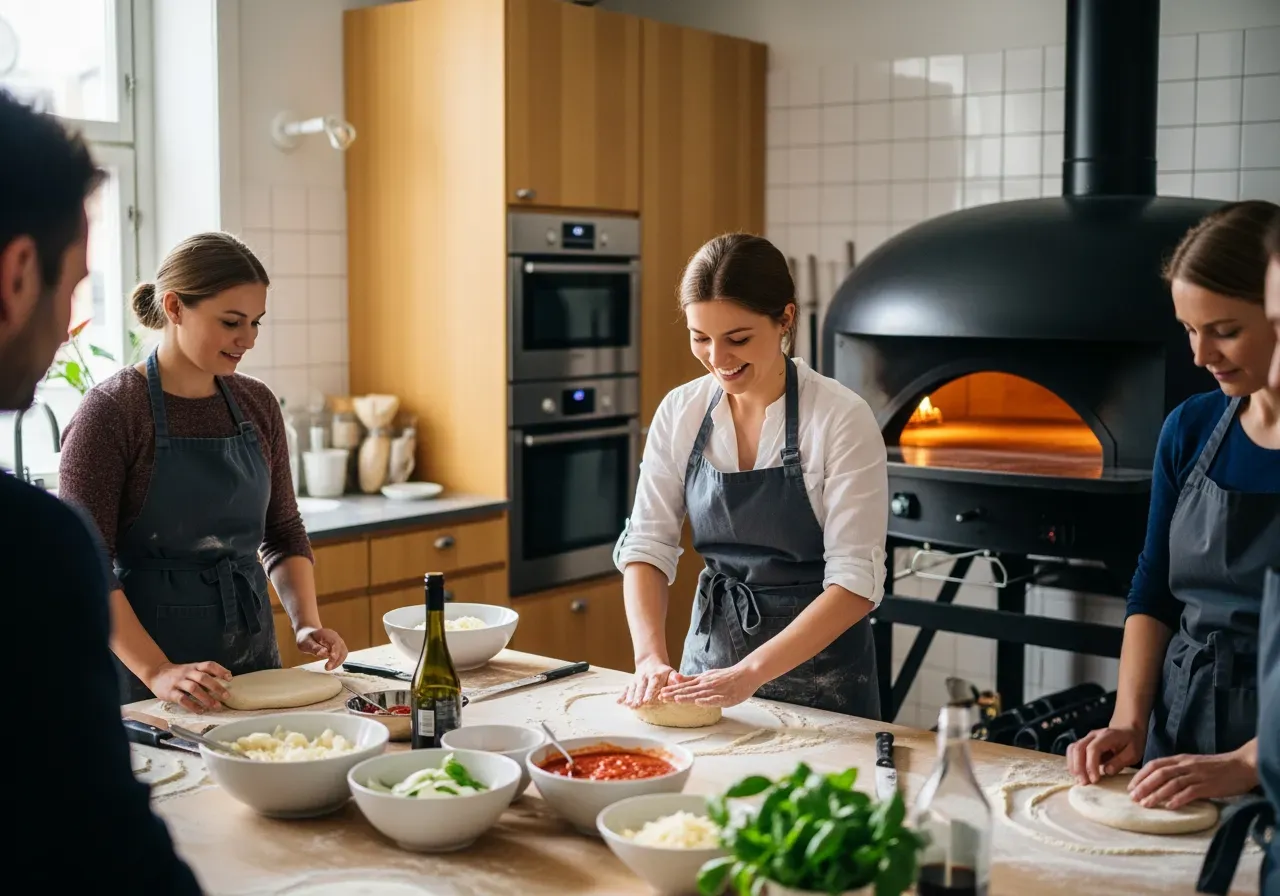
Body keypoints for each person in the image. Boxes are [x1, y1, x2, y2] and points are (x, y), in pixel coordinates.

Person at [1, 90, 202, 889]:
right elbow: (101, 852)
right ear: (18, 274)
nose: (68, 327)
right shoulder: (26, 546)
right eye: (73, 286)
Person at [59, 232, 349, 711]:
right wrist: (158, 671)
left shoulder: (257, 404)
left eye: (256, 323)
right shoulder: (113, 411)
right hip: (141, 677)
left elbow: (282, 530)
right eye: (232, 321)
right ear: (174, 307)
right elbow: (84, 565)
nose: (249, 339)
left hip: (253, 665)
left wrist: (305, 622)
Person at [615, 233, 887, 717]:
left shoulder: (840, 418)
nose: (717, 359)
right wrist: (649, 659)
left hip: (825, 684)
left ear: (784, 319)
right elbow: (647, 546)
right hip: (707, 669)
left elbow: (855, 585)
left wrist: (751, 673)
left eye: (737, 339)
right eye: (701, 338)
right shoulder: (682, 410)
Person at [1067, 201, 1280, 812]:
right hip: (1177, 734)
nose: (1200, 354)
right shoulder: (1190, 428)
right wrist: (1129, 722)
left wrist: (1247, 763)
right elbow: (1153, 589)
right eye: (1189, 328)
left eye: (1225, 329)